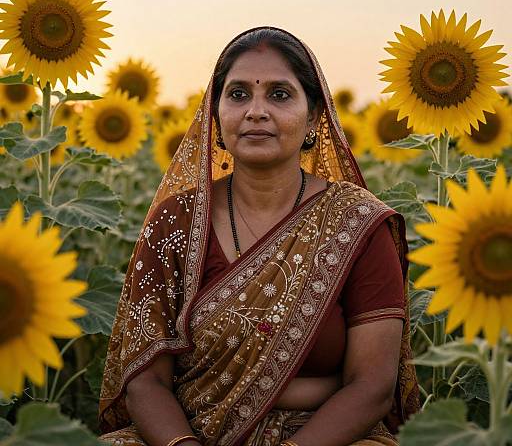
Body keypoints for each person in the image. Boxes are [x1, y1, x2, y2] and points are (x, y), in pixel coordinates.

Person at [98, 26, 419, 446]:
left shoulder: (356, 224)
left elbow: (371, 386)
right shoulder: (176, 221)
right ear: (215, 115)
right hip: (190, 431)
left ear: (314, 118)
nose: (256, 111)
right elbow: (144, 379)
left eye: (280, 94)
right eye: (238, 94)